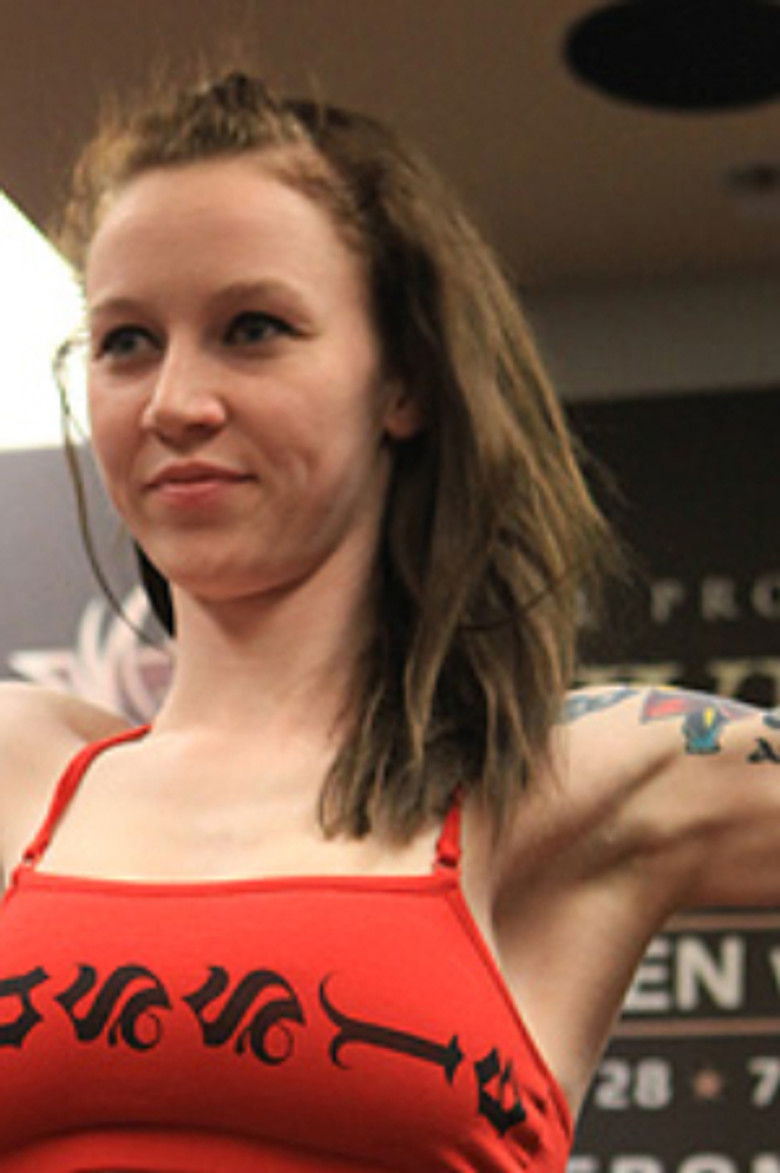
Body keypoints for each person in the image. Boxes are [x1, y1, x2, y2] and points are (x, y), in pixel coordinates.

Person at [0, 70, 777, 1173]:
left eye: (253, 328)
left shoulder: (555, 780)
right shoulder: (22, 768)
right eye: (127, 341)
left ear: (403, 379)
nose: (175, 402)